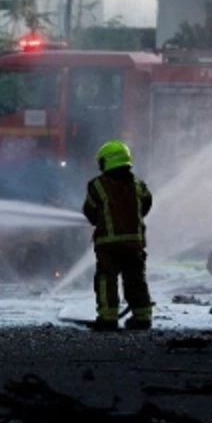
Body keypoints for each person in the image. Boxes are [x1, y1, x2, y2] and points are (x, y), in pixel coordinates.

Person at [81, 140, 154, 331]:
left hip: (108, 244)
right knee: (136, 279)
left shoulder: (96, 186)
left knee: (106, 279)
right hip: (134, 242)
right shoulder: (139, 184)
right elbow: (146, 205)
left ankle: (108, 318)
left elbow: (90, 212)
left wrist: (103, 220)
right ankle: (143, 317)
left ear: (107, 161)